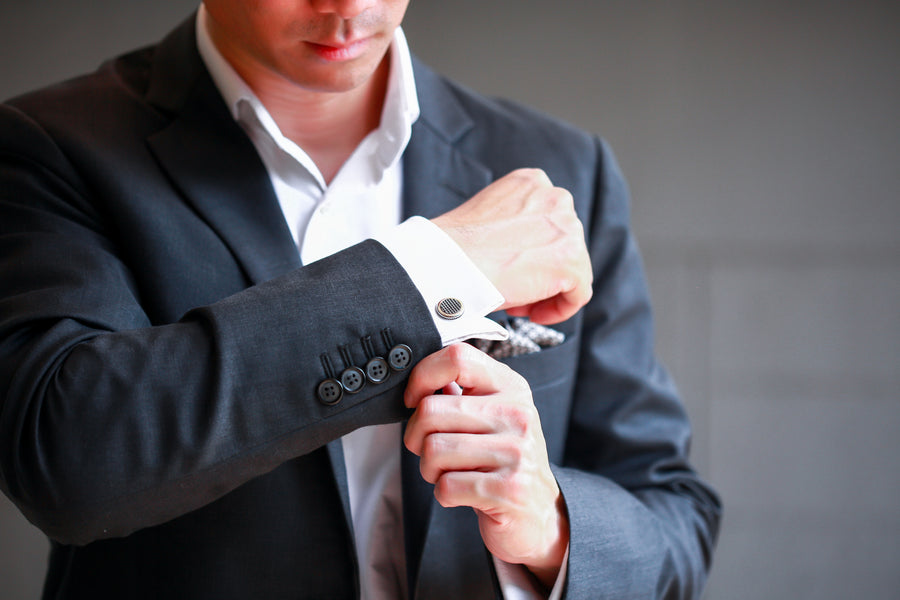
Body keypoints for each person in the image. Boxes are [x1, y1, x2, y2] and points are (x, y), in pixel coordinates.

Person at [0, 1, 720, 598]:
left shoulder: (560, 169)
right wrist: (437, 269)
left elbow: (674, 526)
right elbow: (69, 462)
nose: (348, 7)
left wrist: (551, 524)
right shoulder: (50, 146)